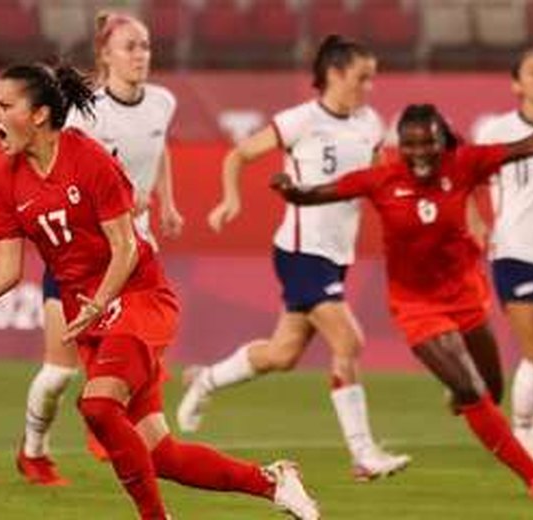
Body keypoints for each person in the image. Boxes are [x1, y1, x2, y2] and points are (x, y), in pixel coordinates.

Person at [0, 63, 319, 520]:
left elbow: (125, 248)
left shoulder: (89, 159)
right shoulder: (5, 183)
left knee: (99, 405)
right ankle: (272, 481)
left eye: (4, 106)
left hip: (138, 297)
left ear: (40, 114)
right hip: (90, 315)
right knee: (159, 453)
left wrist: (99, 301)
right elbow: (6, 270)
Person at [270, 103, 533, 498]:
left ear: (444, 141)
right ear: (398, 146)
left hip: (466, 296)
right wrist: (290, 190)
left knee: (490, 389)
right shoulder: (382, 179)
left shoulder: (466, 163)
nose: (420, 152)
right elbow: (319, 194)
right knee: (472, 391)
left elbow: (530, 143)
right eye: (410, 145)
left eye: (429, 143)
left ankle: (462, 392)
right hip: (416, 307)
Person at [176, 34, 410, 480]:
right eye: (363, 77)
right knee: (350, 342)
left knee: (283, 354)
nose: (369, 87)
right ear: (335, 74)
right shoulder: (300, 120)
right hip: (301, 252)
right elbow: (239, 154)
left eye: (372, 79)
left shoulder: (370, 123)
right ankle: (363, 455)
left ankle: (206, 379)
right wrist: (230, 201)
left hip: (336, 256)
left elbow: (380, 180)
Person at [16, 11, 184, 486]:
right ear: (105, 54)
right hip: (80, 257)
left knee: (139, 354)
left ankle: (122, 431)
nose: (141, 55)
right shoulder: (86, 111)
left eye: (146, 46)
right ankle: (33, 449)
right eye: (130, 46)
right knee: (57, 372)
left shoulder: (163, 103)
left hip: (132, 253)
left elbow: (158, 146)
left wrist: (166, 201)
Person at [474, 48, 533, 464]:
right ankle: (524, 424)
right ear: (516, 85)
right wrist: (473, 221)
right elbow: (467, 177)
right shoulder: (497, 131)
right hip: (516, 250)